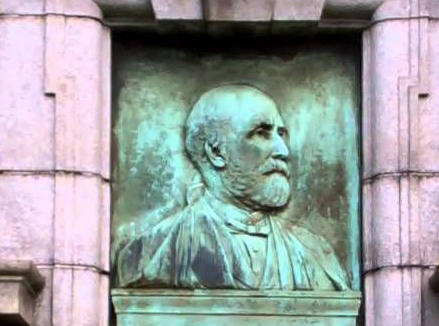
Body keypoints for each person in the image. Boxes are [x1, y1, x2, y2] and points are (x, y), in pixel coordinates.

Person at [115, 84, 348, 291]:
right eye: (261, 133)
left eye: (281, 134)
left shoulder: (316, 256)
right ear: (216, 152)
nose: (283, 151)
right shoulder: (149, 253)